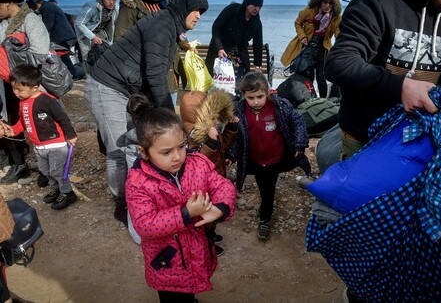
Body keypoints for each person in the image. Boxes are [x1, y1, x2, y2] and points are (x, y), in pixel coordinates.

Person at [85, 0, 208, 226]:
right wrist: (170, 118)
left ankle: (138, 197)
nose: (199, 16)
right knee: (118, 148)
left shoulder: (169, 25)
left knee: (136, 143)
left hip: (128, 89)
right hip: (107, 85)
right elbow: (155, 75)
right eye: (196, 10)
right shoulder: (162, 25)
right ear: (184, 7)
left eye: (201, 12)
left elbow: (157, 73)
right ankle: (122, 203)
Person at [325, 0, 441, 161]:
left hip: (418, 144)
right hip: (365, 143)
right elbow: (339, 62)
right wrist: (401, 86)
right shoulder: (374, 5)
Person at [125, 93, 236, 303]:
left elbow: (223, 185)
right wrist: (186, 213)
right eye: (166, 152)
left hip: (196, 250)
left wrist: (220, 207)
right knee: (173, 297)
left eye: (181, 146)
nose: (177, 157)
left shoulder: (197, 164)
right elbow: (145, 225)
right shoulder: (138, 182)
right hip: (168, 261)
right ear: (144, 152)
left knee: (190, 288)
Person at [228, 72, 311, 241]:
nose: (256, 102)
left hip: (275, 158)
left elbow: (298, 121)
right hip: (255, 160)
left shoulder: (280, 106)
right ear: (244, 95)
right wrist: (231, 155)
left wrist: (300, 143)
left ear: (267, 92)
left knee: (269, 190)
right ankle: (265, 207)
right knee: (262, 187)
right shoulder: (239, 113)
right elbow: (237, 138)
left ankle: (265, 218)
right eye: (251, 98)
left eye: (260, 96)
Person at [1, 64, 77, 209]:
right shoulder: (23, 102)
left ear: (35, 87)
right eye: (13, 88)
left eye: (20, 89)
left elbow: (63, 118)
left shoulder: (48, 100)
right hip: (39, 146)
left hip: (56, 145)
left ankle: (67, 193)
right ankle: (56, 189)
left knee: (58, 171)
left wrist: (71, 135)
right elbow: (23, 121)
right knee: (45, 170)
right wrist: (14, 130)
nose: (16, 92)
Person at [0, 0, 50, 185]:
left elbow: (40, 55)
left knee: (41, 123)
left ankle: (50, 170)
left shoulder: (30, 21)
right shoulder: (4, 23)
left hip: (28, 84)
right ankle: (20, 164)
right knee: (12, 121)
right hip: (8, 84)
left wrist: (12, 57)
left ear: (5, 2)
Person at [179, 89, 239, 256]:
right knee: (203, 217)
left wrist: (232, 128)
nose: (216, 121)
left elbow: (223, 146)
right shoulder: (190, 136)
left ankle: (210, 234)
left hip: (216, 178)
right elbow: (195, 161)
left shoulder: (210, 131)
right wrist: (211, 143)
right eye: (212, 117)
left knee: (212, 214)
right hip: (202, 185)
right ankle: (206, 244)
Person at [281, 0, 342, 98]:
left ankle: (323, 102)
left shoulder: (336, 18)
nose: (327, 6)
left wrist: (341, 41)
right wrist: (302, 36)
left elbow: (337, 32)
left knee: (321, 78)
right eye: (325, 2)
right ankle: (307, 100)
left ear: (334, 4)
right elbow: (298, 23)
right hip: (307, 47)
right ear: (320, 1)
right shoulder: (309, 11)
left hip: (322, 50)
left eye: (330, 3)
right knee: (306, 77)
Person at [205, 0, 264, 87]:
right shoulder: (232, 9)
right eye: (255, 5)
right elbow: (216, 27)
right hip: (222, 53)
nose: (257, 9)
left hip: (240, 56)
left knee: (240, 85)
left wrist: (258, 66)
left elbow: (258, 43)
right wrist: (219, 48)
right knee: (219, 84)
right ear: (247, 3)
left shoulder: (256, 22)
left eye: (260, 7)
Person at [27, 0, 80, 80]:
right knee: (62, 56)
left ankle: (73, 74)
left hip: (61, 36)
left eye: (35, 7)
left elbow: (48, 25)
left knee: (62, 55)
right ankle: (70, 74)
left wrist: (42, 37)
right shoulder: (49, 6)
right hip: (64, 34)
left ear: (38, 3)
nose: (35, 9)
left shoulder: (47, 8)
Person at [74, 0, 118, 74]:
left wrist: (110, 41)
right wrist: (92, 37)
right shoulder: (92, 7)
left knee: (106, 53)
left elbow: (112, 25)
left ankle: (101, 75)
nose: (112, 2)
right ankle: (88, 77)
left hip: (100, 32)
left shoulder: (115, 8)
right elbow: (78, 22)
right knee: (87, 57)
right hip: (85, 33)